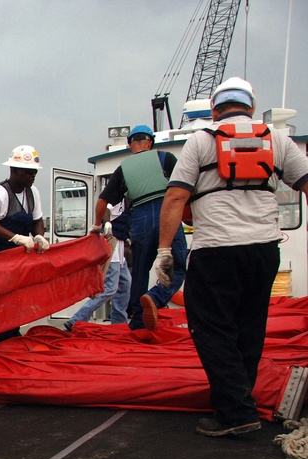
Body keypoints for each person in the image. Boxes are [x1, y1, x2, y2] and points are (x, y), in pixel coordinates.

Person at [157, 77, 308, 437]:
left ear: (214, 110)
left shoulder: (201, 140)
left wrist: (165, 251)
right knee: (249, 325)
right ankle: (239, 400)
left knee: (211, 326)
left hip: (217, 249)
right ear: (252, 108)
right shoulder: (277, 140)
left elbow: (177, 198)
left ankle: (235, 412)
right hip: (264, 250)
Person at [94, 124, 187, 331]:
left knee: (140, 271)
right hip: (167, 212)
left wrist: (96, 225)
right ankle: (155, 297)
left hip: (141, 219)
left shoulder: (123, 169)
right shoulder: (166, 158)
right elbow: (184, 187)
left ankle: (137, 321)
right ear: (150, 142)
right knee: (178, 267)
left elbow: (102, 202)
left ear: (129, 145)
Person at [0, 144, 50, 343]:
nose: (33, 176)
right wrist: (15, 237)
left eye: (34, 172)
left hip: (15, 258)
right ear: (14, 171)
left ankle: (10, 334)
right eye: (28, 172)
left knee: (16, 299)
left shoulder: (32, 192)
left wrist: (39, 236)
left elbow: (37, 220)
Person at [65, 202, 131, 329]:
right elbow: (106, 208)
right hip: (113, 249)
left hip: (121, 250)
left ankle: (119, 324)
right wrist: (108, 224)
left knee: (125, 285)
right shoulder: (118, 199)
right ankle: (76, 319)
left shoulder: (130, 206)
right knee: (110, 288)